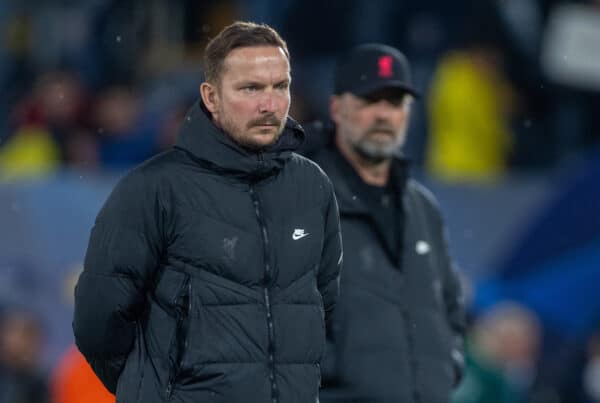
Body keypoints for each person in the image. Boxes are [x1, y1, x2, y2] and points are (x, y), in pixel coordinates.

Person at [73, 21, 342, 403]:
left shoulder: (313, 187)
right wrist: (155, 388)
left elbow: (323, 307)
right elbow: (98, 321)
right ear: (211, 97)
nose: (269, 104)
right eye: (250, 88)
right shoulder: (153, 189)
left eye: (279, 86)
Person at [302, 44, 466, 403]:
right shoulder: (304, 200)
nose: (382, 115)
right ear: (336, 109)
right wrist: (337, 380)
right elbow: (282, 315)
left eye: (394, 102)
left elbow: (451, 307)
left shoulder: (422, 206)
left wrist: (447, 363)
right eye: (368, 100)